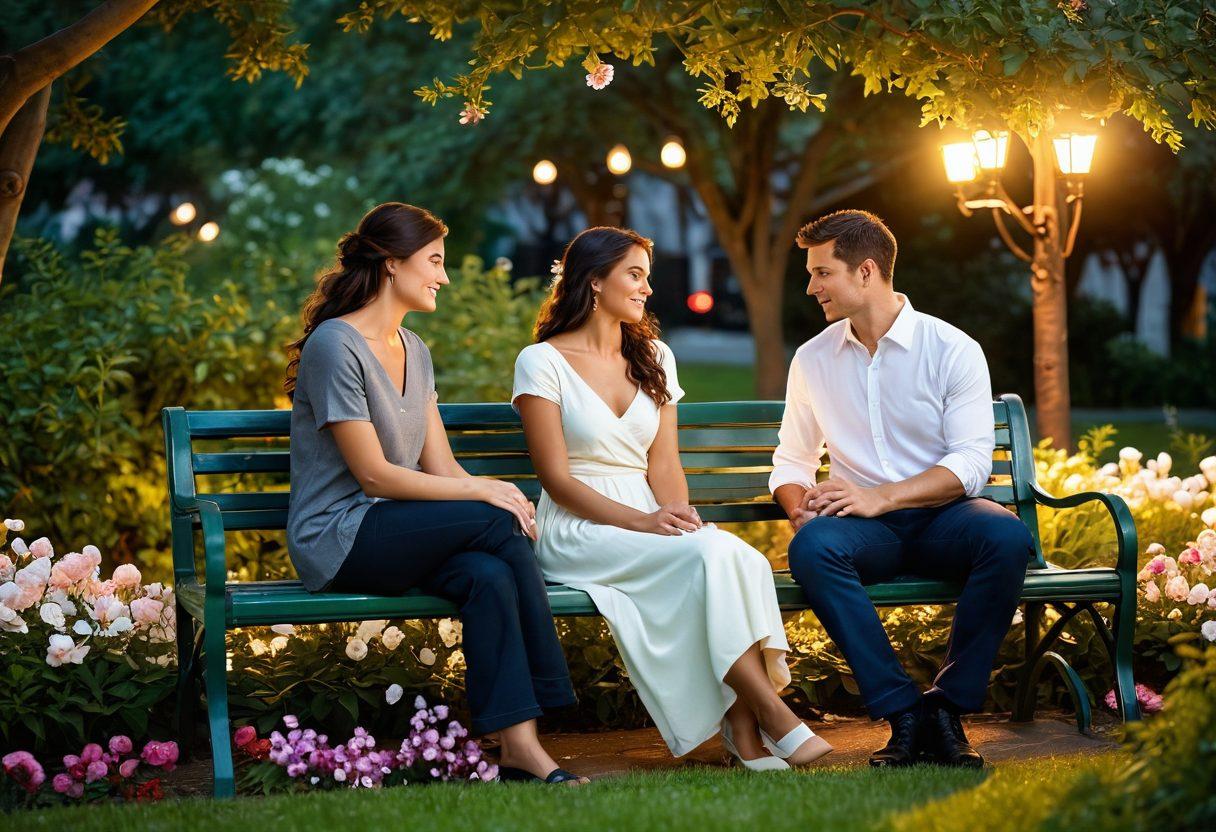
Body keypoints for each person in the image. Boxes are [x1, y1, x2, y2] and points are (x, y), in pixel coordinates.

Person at [284, 202, 586, 785]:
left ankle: (520, 746)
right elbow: (373, 476)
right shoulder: (335, 345)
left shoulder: (414, 349)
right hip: (339, 536)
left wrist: (487, 490)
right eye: (435, 261)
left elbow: (441, 464)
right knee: (495, 520)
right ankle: (552, 684)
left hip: (399, 531)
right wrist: (488, 494)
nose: (444, 277)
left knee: (488, 575)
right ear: (392, 264)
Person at [513, 226, 832, 770]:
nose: (647, 288)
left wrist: (680, 517)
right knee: (707, 559)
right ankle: (770, 716)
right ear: (594, 282)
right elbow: (556, 479)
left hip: (648, 516)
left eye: (647, 276)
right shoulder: (541, 361)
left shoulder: (655, 355)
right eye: (634, 275)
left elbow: (663, 463)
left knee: (733, 556)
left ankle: (743, 729)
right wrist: (642, 522)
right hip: (578, 526)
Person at [770, 209, 1033, 768]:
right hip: (867, 532)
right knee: (812, 548)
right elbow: (792, 460)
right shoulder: (813, 358)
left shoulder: (952, 348)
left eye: (822, 272)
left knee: (1007, 537)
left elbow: (970, 463)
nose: (811, 287)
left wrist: (881, 496)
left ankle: (947, 707)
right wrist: (800, 509)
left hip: (946, 518)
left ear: (866, 271)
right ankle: (903, 712)